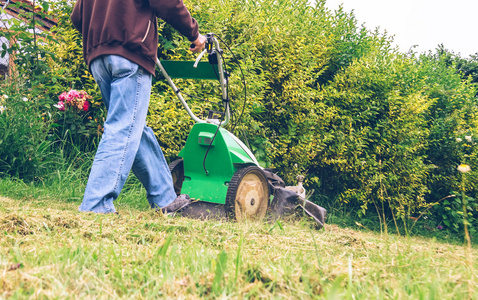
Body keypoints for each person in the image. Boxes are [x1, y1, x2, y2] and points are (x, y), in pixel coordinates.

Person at [70, 0, 206, 214]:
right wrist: (195, 35)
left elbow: (77, 17)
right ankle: (96, 205)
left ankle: (165, 199)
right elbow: (167, 3)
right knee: (123, 128)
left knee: (133, 128)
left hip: (98, 58)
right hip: (130, 53)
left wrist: (103, 34)